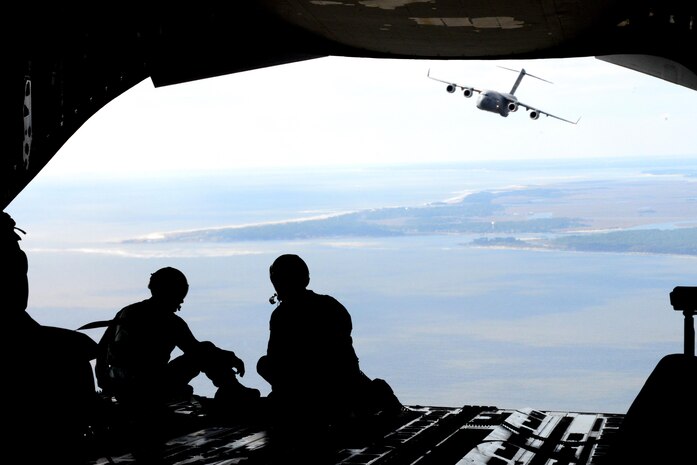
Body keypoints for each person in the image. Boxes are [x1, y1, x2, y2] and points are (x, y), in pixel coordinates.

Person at [95, 266, 260, 461]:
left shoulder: (126, 312)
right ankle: (233, 391)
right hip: (148, 387)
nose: (181, 301)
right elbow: (198, 351)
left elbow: (101, 351)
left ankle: (232, 390)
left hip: (122, 389)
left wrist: (106, 383)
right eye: (180, 294)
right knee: (206, 349)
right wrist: (229, 357)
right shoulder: (170, 321)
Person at [257, 254, 403, 442]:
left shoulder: (281, 316)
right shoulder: (331, 305)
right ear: (306, 279)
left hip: (311, 390)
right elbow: (345, 353)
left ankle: (300, 407)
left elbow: (276, 358)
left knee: (264, 364)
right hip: (343, 383)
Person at [3, 211, 99, 465]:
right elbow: (18, 303)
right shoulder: (13, 257)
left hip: (15, 327)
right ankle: (83, 421)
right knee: (80, 350)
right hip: (13, 329)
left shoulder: (11, 257)